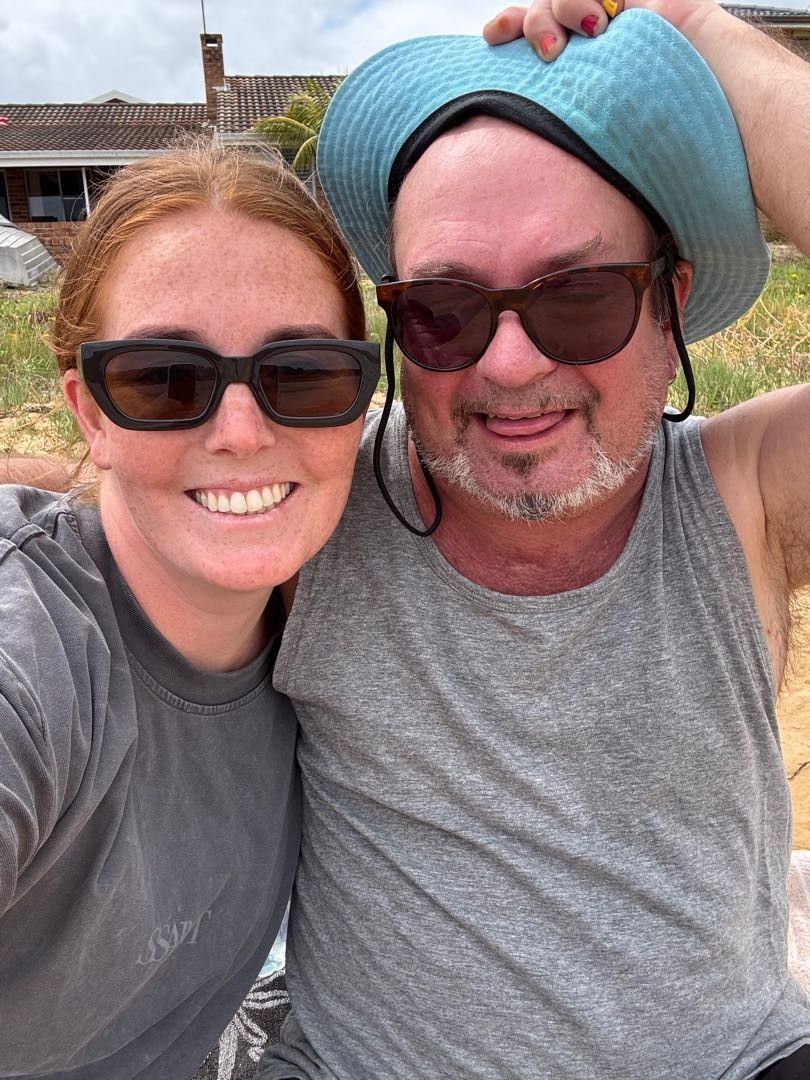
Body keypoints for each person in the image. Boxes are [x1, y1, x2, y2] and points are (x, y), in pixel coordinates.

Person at [254, 3, 810, 1079]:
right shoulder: (307, 498)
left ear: (671, 305)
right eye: (446, 309)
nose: (507, 365)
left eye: (581, 297)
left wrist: (693, 32)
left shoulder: (742, 494)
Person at [0, 140, 379, 1079]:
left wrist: (700, 32)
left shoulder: (339, 599)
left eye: (303, 377)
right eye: (164, 381)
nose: (243, 433)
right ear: (92, 413)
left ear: (360, 408)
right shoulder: (37, 661)